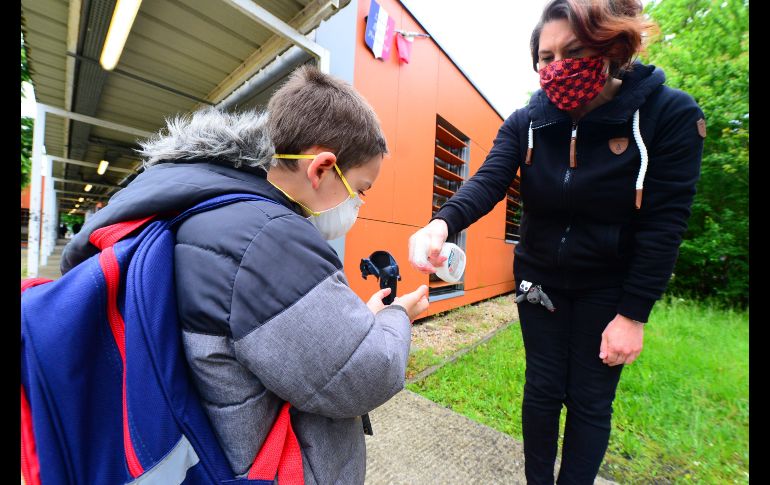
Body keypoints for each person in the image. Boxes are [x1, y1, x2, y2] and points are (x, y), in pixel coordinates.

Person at [61, 66, 429, 483]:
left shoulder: (204, 200)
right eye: (360, 189)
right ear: (322, 168)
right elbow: (362, 374)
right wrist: (396, 316)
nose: (358, 204)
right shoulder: (267, 239)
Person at [408, 0, 704, 483]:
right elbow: (488, 180)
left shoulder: (668, 115)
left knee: (590, 398)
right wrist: (441, 224)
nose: (557, 66)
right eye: (546, 57)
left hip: (609, 286)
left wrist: (633, 316)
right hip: (539, 277)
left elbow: (664, 224)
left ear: (611, 46)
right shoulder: (529, 120)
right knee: (543, 388)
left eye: (574, 50)